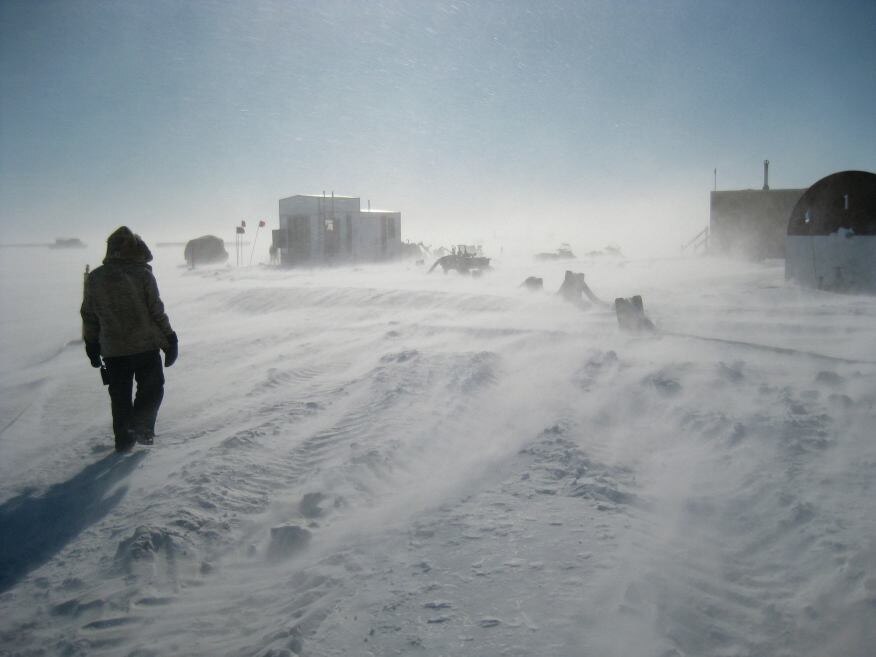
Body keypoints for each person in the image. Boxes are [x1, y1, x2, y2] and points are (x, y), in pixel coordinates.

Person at [81, 226, 178, 451]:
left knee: (120, 396)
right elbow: (156, 310)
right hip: (145, 347)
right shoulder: (142, 274)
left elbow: (89, 314)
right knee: (152, 389)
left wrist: (92, 344)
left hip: (113, 351)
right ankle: (142, 429)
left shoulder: (95, 277)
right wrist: (170, 339)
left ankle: (124, 441)